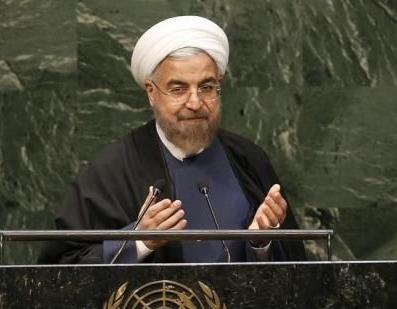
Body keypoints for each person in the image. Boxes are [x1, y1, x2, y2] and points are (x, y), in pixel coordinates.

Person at [38, 16, 306, 264]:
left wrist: (260, 243)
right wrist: (139, 240)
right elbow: (61, 269)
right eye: (178, 89)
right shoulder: (111, 171)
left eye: (207, 87)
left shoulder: (248, 159)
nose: (195, 102)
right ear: (152, 93)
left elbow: (296, 272)